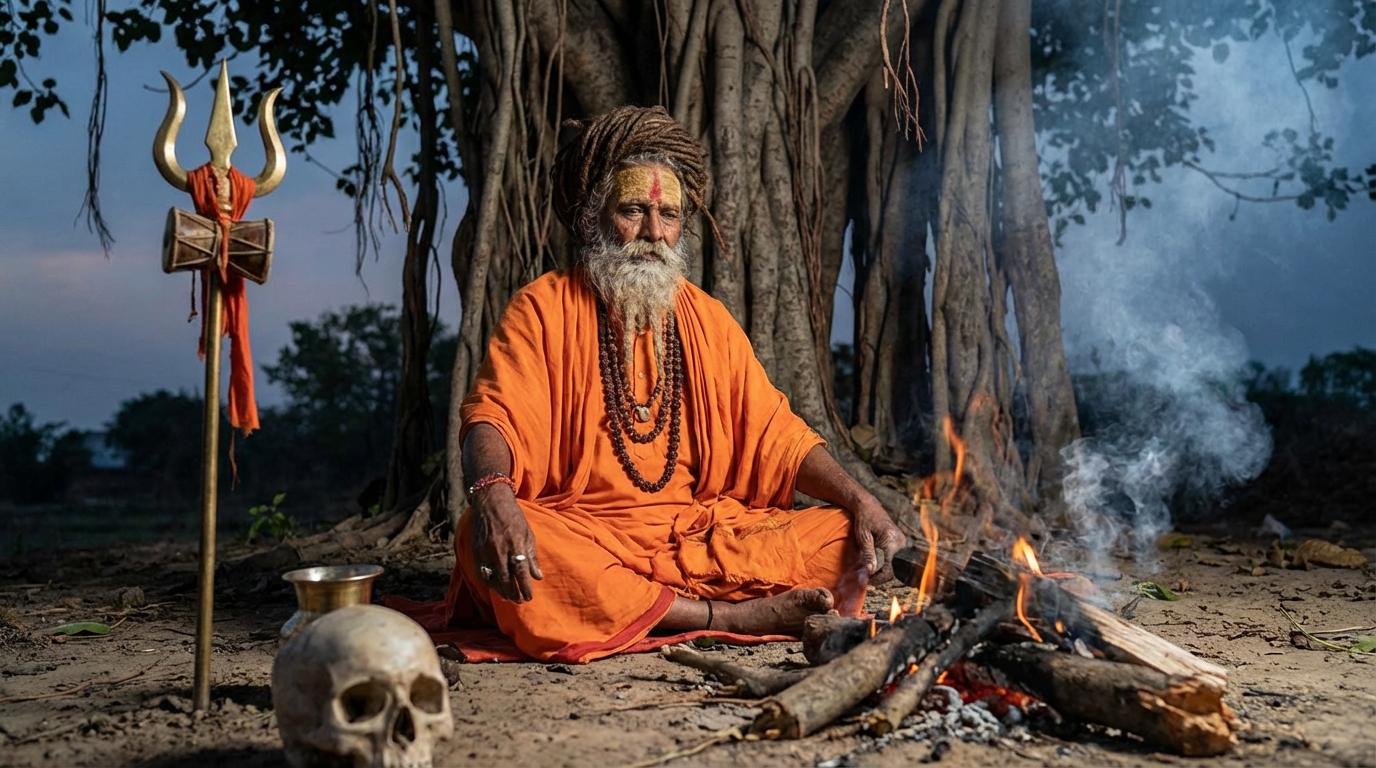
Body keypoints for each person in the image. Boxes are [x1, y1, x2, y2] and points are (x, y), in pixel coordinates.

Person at [445, 105, 905, 663]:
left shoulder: (705, 318)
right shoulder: (542, 308)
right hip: (589, 537)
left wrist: (862, 500)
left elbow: (777, 437)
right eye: (633, 210)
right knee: (487, 535)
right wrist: (494, 496)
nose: (652, 233)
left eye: (668, 215)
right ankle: (733, 615)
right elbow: (492, 417)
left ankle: (649, 607)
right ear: (594, 217)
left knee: (840, 537)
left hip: (700, 538)